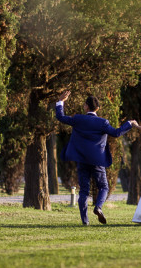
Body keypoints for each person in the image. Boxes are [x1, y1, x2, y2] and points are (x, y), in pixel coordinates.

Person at [54, 90, 134, 225]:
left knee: (84, 190)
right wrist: (129, 124)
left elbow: (60, 117)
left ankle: (85, 220)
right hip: (97, 160)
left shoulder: (78, 119)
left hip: (82, 160)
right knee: (103, 187)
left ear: (86, 106)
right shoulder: (102, 123)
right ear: (97, 108)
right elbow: (116, 133)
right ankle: (98, 207)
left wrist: (60, 101)